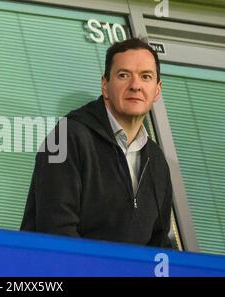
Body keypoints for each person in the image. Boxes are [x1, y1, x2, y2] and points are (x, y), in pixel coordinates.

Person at [21, 38, 173, 248]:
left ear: (157, 90)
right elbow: (57, 232)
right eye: (123, 75)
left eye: (145, 77)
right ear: (105, 85)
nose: (135, 86)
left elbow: (160, 242)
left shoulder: (157, 161)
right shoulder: (67, 137)